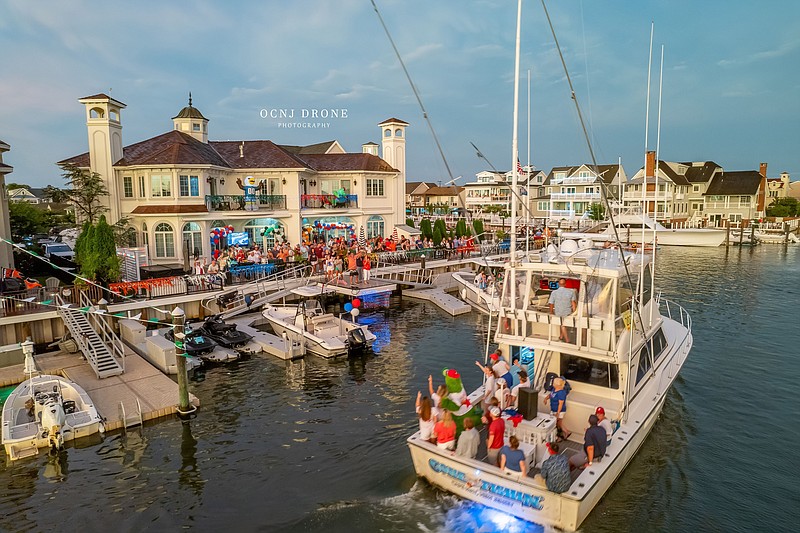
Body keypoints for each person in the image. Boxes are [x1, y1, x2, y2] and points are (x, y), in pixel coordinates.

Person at [548, 278, 577, 342]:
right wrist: (574, 312)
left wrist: (551, 311)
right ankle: (561, 336)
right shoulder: (571, 292)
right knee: (563, 324)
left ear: (558, 284)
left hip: (558, 311)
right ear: (565, 284)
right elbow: (573, 303)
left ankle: (567, 340)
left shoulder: (554, 292)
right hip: (568, 312)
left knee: (562, 324)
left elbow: (551, 303)